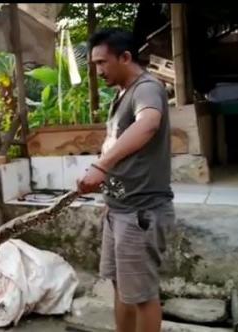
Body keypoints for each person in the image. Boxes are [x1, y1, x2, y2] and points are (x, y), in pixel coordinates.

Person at [77, 28, 175, 332]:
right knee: (122, 286)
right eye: (95, 64)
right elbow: (120, 145)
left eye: (103, 62)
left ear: (126, 57)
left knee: (143, 295)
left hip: (140, 213)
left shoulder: (146, 88)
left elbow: (148, 123)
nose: (99, 70)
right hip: (120, 209)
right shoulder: (122, 95)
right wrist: (110, 197)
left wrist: (102, 166)